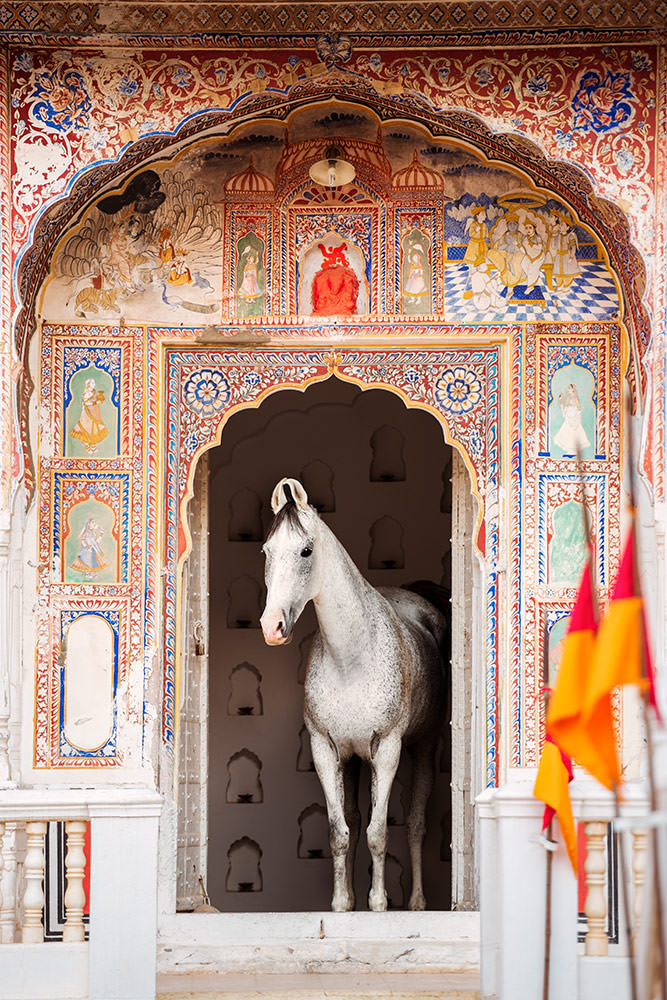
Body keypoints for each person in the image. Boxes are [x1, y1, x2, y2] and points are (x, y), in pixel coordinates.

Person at [70, 377, 109, 453]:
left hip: (94, 412)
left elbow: (94, 400)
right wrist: (96, 403)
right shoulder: (86, 393)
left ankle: (92, 445)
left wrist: (99, 399)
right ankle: (87, 446)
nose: (94, 384)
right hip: (87, 413)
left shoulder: (94, 391)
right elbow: (86, 403)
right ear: (88, 384)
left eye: (94, 383)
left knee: (94, 428)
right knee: (87, 428)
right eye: (92, 383)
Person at [554, 382, 591, 454]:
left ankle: (573, 451)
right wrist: (561, 400)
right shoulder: (568, 399)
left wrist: (574, 420)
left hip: (574, 421)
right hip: (568, 420)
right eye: (568, 389)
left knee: (573, 434)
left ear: (573, 390)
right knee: (567, 435)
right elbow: (564, 411)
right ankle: (570, 451)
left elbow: (578, 410)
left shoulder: (575, 399)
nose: (568, 390)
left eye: (569, 388)